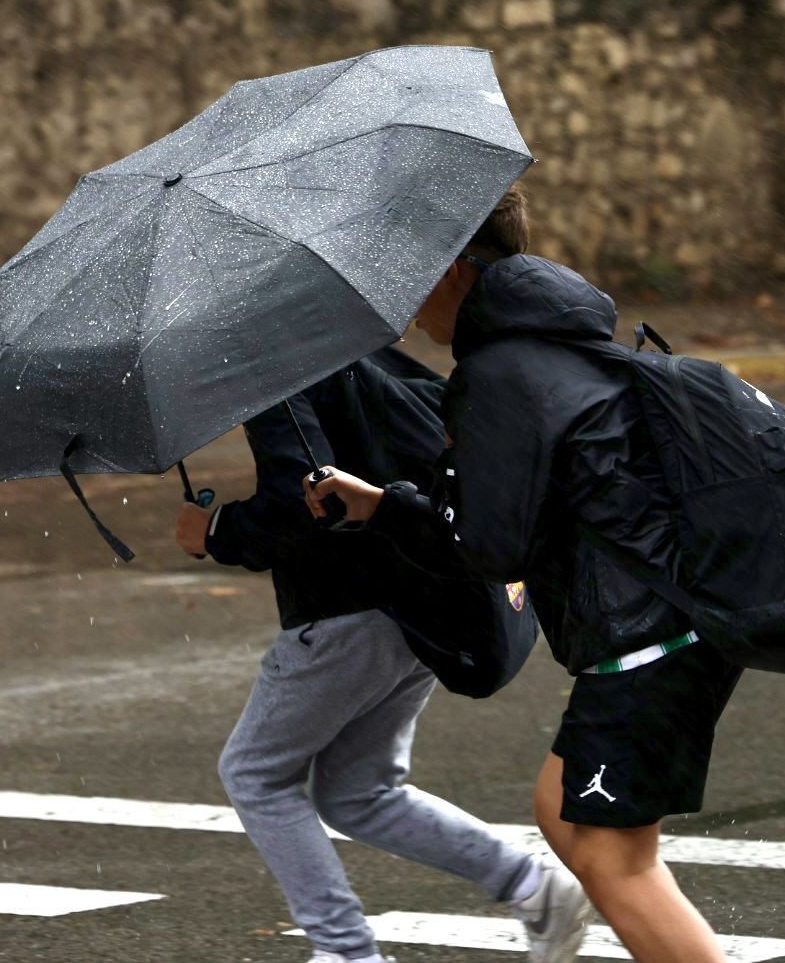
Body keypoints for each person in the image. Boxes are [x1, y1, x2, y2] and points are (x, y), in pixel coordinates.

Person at [303, 187, 745, 963]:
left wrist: (397, 509)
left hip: (644, 639)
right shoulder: (550, 342)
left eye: (411, 279)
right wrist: (390, 503)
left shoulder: (501, 371)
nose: (406, 309)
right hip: (666, 624)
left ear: (452, 273)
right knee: (561, 810)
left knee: (616, 865)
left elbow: (487, 546)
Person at [174, 350, 591, 963]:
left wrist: (214, 533)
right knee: (357, 790)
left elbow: (309, 499)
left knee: (255, 773)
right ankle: (534, 888)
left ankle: (346, 952)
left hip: (347, 607)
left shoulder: (273, 367)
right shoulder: (360, 349)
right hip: (418, 604)